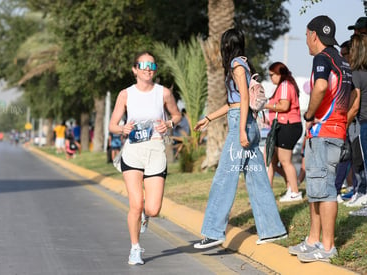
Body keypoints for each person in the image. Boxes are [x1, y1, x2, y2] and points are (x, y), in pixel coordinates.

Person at [192, 28, 287, 250]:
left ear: (226, 45)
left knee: (224, 178)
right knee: (257, 179)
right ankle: (273, 230)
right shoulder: (243, 64)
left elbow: (244, 98)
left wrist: (242, 131)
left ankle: (213, 233)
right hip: (246, 122)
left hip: (241, 126)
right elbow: (234, 102)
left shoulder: (236, 65)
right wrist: (208, 118)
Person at [288, 15, 352, 263]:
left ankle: (327, 247)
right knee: (317, 190)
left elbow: (321, 87)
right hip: (334, 131)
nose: (306, 41)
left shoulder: (322, 58)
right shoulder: (341, 60)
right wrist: (343, 119)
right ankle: (313, 240)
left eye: (306, 36)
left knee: (325, 192)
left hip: (325, 133)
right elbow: (353, 95)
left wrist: (310, 113)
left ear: (314, 35)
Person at [108, 51, 181, 265]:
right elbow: (112, 126)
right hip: (133, 151)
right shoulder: (125, 94)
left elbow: (176, 115)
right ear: (135, 69)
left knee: (152, 209)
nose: (148, 69)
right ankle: (135, 248)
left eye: (152, 65)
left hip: (156, 150)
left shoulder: (164, 93)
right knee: (135, 204)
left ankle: (145, 216)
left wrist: (168, 124)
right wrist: (122, 129)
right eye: (144, 65)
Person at [264, 62, 303, 202]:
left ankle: (294, 191)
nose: (270, 78)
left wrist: (264, 104)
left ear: (279, 74)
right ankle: (288, 187)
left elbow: (284, 106)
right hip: (281, 126)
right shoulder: (282, 86)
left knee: (285, 161)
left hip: (288, 125)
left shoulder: (285, 85)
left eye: (272, 75)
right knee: (270, 160)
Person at [345, 33, 367, 208]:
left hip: (364, 122)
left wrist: (342, 125)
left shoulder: (356, 74)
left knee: (363, 163)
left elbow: (354, 106)